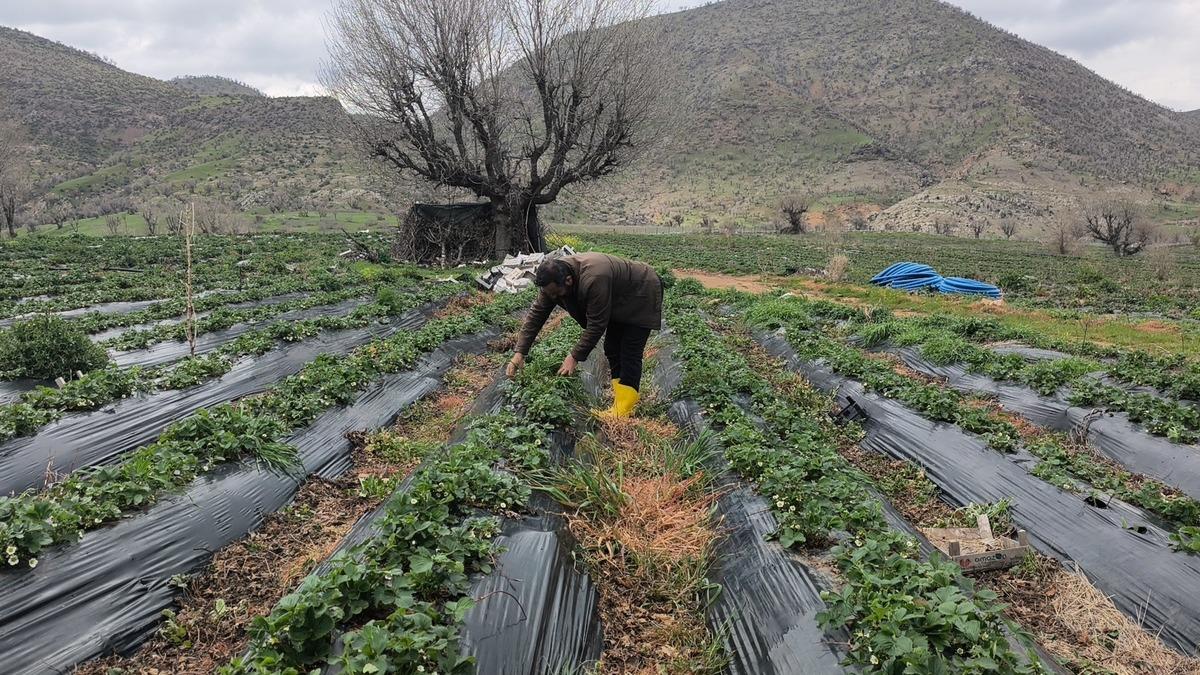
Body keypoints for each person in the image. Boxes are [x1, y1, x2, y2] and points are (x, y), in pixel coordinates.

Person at [507, 252, 663, 417]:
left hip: (642, 292)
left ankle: (624, 408)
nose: (553, 297)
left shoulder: (594, 277)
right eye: (548, 294)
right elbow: (536, 315)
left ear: (568, 281)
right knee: (612, 347)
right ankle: (620, 400)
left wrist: (574, 357)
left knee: (629, 350)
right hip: (618, 297)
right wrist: (520, 352)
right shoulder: (552, 284)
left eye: (556, 293)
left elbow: (597, 324)